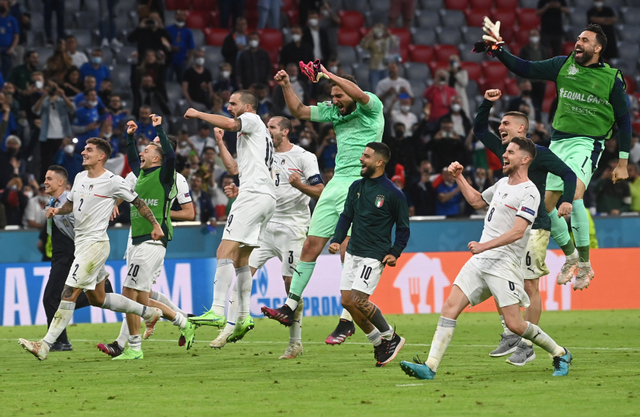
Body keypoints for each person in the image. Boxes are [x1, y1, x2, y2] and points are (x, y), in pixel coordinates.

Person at [400, 137, 574, 380]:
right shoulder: (502, 183)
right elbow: (476, 201)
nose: (505, 154)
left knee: (515, 324)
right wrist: (459, 177)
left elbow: (517, 231)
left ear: (525, 159)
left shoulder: (530, 191)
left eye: (511, 152)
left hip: (504, 263)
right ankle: (429, 367)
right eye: (506, 151)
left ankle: (560, 352)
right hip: (481, 261)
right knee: (450, 307)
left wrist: (484, 246)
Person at [483, 23, 631, 290]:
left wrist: (623, 162)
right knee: (545, 205)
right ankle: (571, 256)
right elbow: (524, 68)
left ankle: (585, 264)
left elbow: (624, 119)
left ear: (597, 48)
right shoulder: (563, 65)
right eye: (577, 38)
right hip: (559, 142)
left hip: (587, 144)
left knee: (573, 194)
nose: (578, 42)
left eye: (585, 40)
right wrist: (499, 50)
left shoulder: (611, 78)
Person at [260, 66, 384, 345]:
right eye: (333, 96)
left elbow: (358, 95)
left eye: (339, 95)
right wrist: (286, 85)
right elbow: (300, 111)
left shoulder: (371, 106)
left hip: (362, 184)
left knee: (348, 252)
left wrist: (328, 74)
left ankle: (346, 319)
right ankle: (289, 307)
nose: (335, 100)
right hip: (336, 183)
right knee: (310, 246)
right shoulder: (333, 111)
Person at [18, 138, 166, 362]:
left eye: (89, 150)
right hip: (82, 245)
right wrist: (57, 211)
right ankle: (148, 312)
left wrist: (156, 225)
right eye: (84, 149)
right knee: (98, 298)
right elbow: (71, 204)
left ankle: (45, 344)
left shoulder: (113, 181)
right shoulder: (79, 177)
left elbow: (138, 202)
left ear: (101, 156)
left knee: (67, 293)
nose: (83, 152)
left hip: (95, 245)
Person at [475, 89, 577, 365]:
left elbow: (568, 173)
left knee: (530, 285)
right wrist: (487, 102)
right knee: (497, 278)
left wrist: (566, 200)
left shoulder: (539, 154)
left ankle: (527, 344)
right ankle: (511, 331)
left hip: (533, 228)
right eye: (501, 124)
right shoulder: (505, 150)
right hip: (507, 228)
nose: (500, 128)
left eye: (505, 124)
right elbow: (479, 129)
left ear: (522, 128)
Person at [212, 116, 323, 359]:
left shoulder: (304, 157)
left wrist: (300, 186)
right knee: (241, 270)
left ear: (285, 131)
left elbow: (320, 191)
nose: (268, 130)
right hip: (266, 225)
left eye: (272, 127)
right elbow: (236, 170)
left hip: (292, 227)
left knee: (289, 284)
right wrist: (221, 144)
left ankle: (295, 343)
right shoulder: (263, 153)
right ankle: (230, 326)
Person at [97, 116, 197, 360]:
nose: (143, 151)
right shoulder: (140, 175)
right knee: (143, 298)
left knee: (128, 294)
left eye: (149, 149)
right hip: (139, 240)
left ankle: (133, 347)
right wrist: (130, 136)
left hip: (152, 242)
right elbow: (132, 157)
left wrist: (159, 128)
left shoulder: (165, 176)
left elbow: (171, 157)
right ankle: (184, 322)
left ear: (158, 158)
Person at [185, 90, 276, 334]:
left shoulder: (252, 120)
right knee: (241, 258)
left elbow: (229, 123)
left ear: (247, 107)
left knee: (223, 251)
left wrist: (198, 113)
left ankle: (217, 310)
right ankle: (244, 316)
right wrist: (220, 142)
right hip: (266, 198)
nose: (228, 106)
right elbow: (234, 168)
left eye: (233, 103)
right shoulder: (257, 135)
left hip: (253, 195)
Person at [328, 142, 409, 366]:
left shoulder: (393, 194)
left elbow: (403, 229)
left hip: (374, 254)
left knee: (359, 300)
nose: (361, 159)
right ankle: (377, 342)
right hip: (353, 251)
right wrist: (336, 240)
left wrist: (395, 252)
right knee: (347, 301)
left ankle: (391, 337)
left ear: (379, 162)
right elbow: (346, 216)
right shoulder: (356, 187)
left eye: (366, 156)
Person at [41, 165, 115, 352]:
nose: (45, 182)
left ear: (61, 182)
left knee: (51, 298)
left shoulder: (69, 202)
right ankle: (61, 340)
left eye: (49, 179)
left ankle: (61, 341)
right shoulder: (52, 202)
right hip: (60, 255)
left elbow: (84, 224)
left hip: (69, 254)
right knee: (55, 298)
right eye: (45, 178)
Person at [32, 80, 75, 182]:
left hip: (61, 136)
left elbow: (72, 108)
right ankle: (44, 184)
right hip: (46, 136)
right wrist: (43, 96)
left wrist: (63, 95)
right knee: (46, 163)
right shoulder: (44, 101)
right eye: (50, 87)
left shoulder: (61, 100)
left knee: (60, 162)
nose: (52, 89)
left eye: (54, 87)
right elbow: (35, 110)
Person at [359, 24, 399, 91]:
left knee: (386, 88)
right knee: (375, 89)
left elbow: (395, 44)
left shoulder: (387, 40)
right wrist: (369, 34)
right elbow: (363, 46)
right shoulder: (371, 42)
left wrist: (389, 34)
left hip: (385, 67)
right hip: (374, 68)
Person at [519, 29, 549, 110]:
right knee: (527, 104)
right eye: (532, 35)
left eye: (535, 35)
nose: (534, 37)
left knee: (538, 105)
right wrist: (522, 81)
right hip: (528, 82)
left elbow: (547, 65)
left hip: (540, 82)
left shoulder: (543, 50)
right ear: (529, 37)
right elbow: (520, 66)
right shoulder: (524, 50)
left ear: (539, 37)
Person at [166, 10, 195, 83]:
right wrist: (170, 48)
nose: (181, 16)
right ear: (175, 16)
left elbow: (191, 47)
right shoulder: (168, 29)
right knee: (167, 81)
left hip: (182, 61)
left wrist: (187, 61)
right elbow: (163, 43)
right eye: (179, 14)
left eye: (183, 15)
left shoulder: (188, 31)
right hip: (169, 60)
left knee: (182, 82)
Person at [0, 0, 19, 78]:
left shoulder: (12, 20)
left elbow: (16, 36)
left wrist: (12, 48)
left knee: (7, 68)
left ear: (8, 7)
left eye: (4, 5)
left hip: (7, 50)